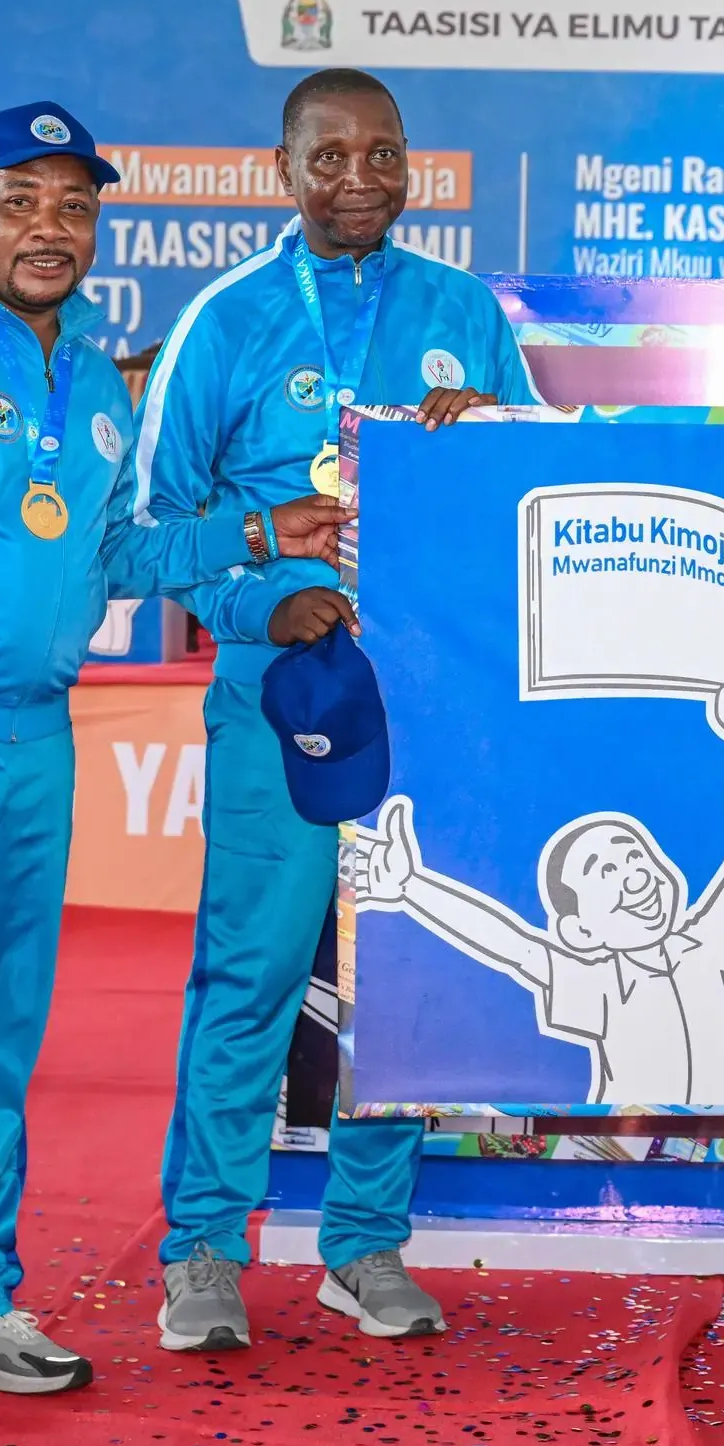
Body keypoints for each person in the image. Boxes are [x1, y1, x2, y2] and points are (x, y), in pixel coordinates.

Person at [0, 101, 347, 1429]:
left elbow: (118, 563)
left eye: (75, 205)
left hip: (40, 739)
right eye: (21, 200)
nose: (50, 228)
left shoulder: (97, 377)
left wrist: (265, 533)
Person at [133, 66, 542, 1354]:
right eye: (330, 156)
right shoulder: (227, 321)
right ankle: (202, 1244)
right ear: (283, 168)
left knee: (397, 980)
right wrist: (263, 602)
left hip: (428, 712)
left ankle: (361, 1245)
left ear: (412, 164)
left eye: (383, 153)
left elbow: (539, 497)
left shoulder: (462, 311)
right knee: (250, 972)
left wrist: (495, 433)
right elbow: (143, 533)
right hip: (282, 700)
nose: (357, 177)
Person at [351, 675, 724, 1105]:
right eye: (606, 872)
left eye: (637, 856)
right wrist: (413, 886)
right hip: (629, 1139)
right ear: (580, 930)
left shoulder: (709, 949)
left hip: (719, 1133)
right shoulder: (599, 986)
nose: (634, 875)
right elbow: (515, 946)